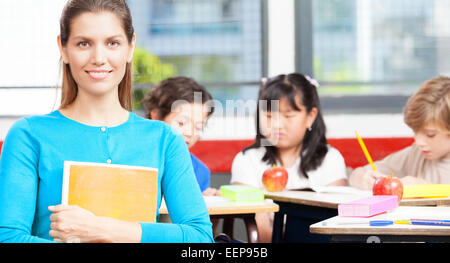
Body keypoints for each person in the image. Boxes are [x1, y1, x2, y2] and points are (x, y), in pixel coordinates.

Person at [0, 0, 213, 243]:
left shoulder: (165, 139)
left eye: (112, 43)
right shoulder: (28, 135)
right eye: (84, 43)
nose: (99, 58)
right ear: (63, 48)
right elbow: (8, 237)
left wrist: (102, 229)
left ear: (131, 47)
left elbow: (201, 239)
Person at [230, 73, 347, 242]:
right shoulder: (247, 160)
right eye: (269, 116)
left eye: (288, 116)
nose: (277, 125)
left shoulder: (330, 159)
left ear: (310, 117)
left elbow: (333, 226)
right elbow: (261, 234)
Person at [349, 76, 450, 190]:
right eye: (415, 132)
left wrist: (430, 190)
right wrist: (363, 178)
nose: (419, 141)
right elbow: (356, 175)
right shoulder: (416, 154)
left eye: (430, 135)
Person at [142, 76, 220, 196]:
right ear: (156, 117)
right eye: (181, 123)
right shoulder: (134, 160)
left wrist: (209, 206)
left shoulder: (199, 171)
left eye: (198, 127)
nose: (190, 133)